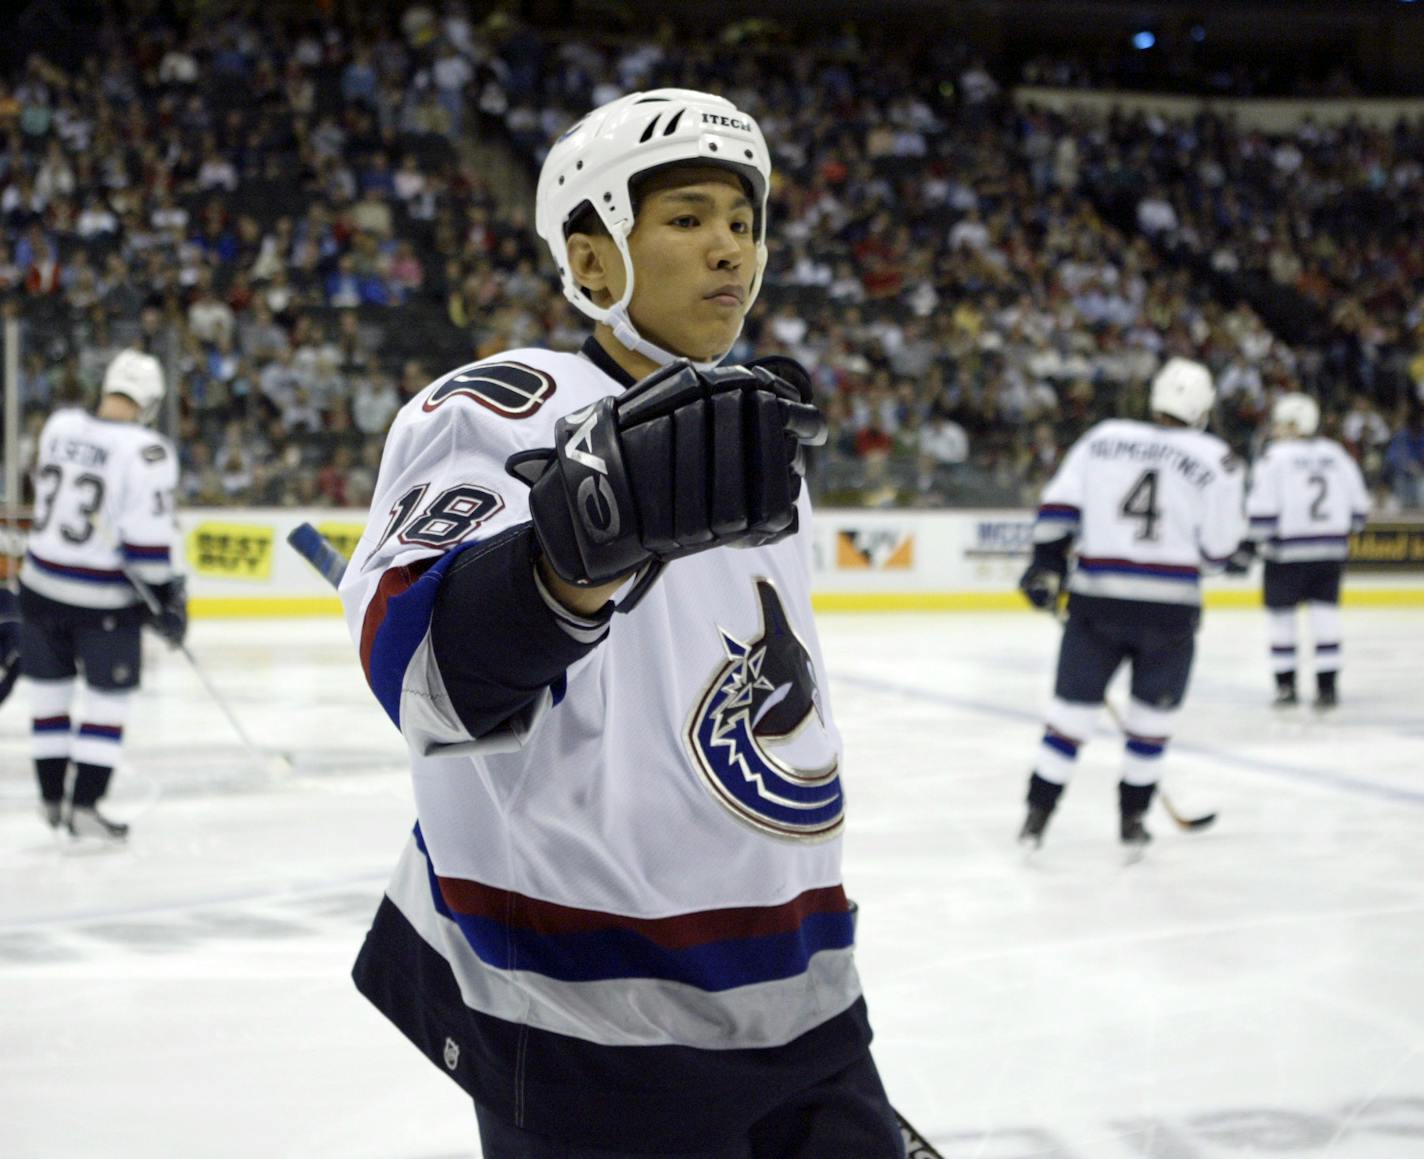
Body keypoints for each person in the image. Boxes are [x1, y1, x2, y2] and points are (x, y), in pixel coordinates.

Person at [338, 89, 902, 1158]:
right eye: (686, 219)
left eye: (742, 223)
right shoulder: (499, 409)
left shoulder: (757, 430)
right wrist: (563, 562)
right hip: (586, 1010)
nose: (728, 251)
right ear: (591, 262)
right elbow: (419, 676)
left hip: (798, 981)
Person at [1016, 357, 1246, 851]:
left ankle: (1036, 820)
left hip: (1096, 605)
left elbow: (1058, 508)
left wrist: (1046, 564)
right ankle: (1134, 821)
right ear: (1203, 407)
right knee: (1151, 724)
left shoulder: (1103, 439)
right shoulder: (1219, 458)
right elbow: (1219, 553)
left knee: (1069, 718)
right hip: (1170, 615)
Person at [17, 349, 186, 839]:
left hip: (39, 586)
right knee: (107, 702)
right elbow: (148, 547)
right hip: (101, 602)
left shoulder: (59, 425)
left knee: (48, 697)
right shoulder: (148, 451)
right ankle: (85, 807)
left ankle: (52, 800)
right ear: (150, 401)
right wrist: (165, 598)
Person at [1239, 392, 1370, 708]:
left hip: (1286, 554)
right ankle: (1327, 687)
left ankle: (1286, 686)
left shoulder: (1275, 457)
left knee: (1282, 619)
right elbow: (1359, 510)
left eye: (1283, 424)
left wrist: (1251, 543)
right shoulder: (1337, 454)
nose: (1277, 429)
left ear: (1297, 424)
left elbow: (1263, 513)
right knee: (1326, 615)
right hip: (1330, 552)